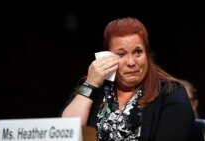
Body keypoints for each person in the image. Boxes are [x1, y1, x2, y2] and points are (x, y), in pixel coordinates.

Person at [61, 17, 195, 141]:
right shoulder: (97, 90)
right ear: (106, 57)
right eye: (121, 54)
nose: (131, 62)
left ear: (147, 54)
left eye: (138, 52)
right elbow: (66, 132)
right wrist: (90, 84)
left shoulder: (171, 93)